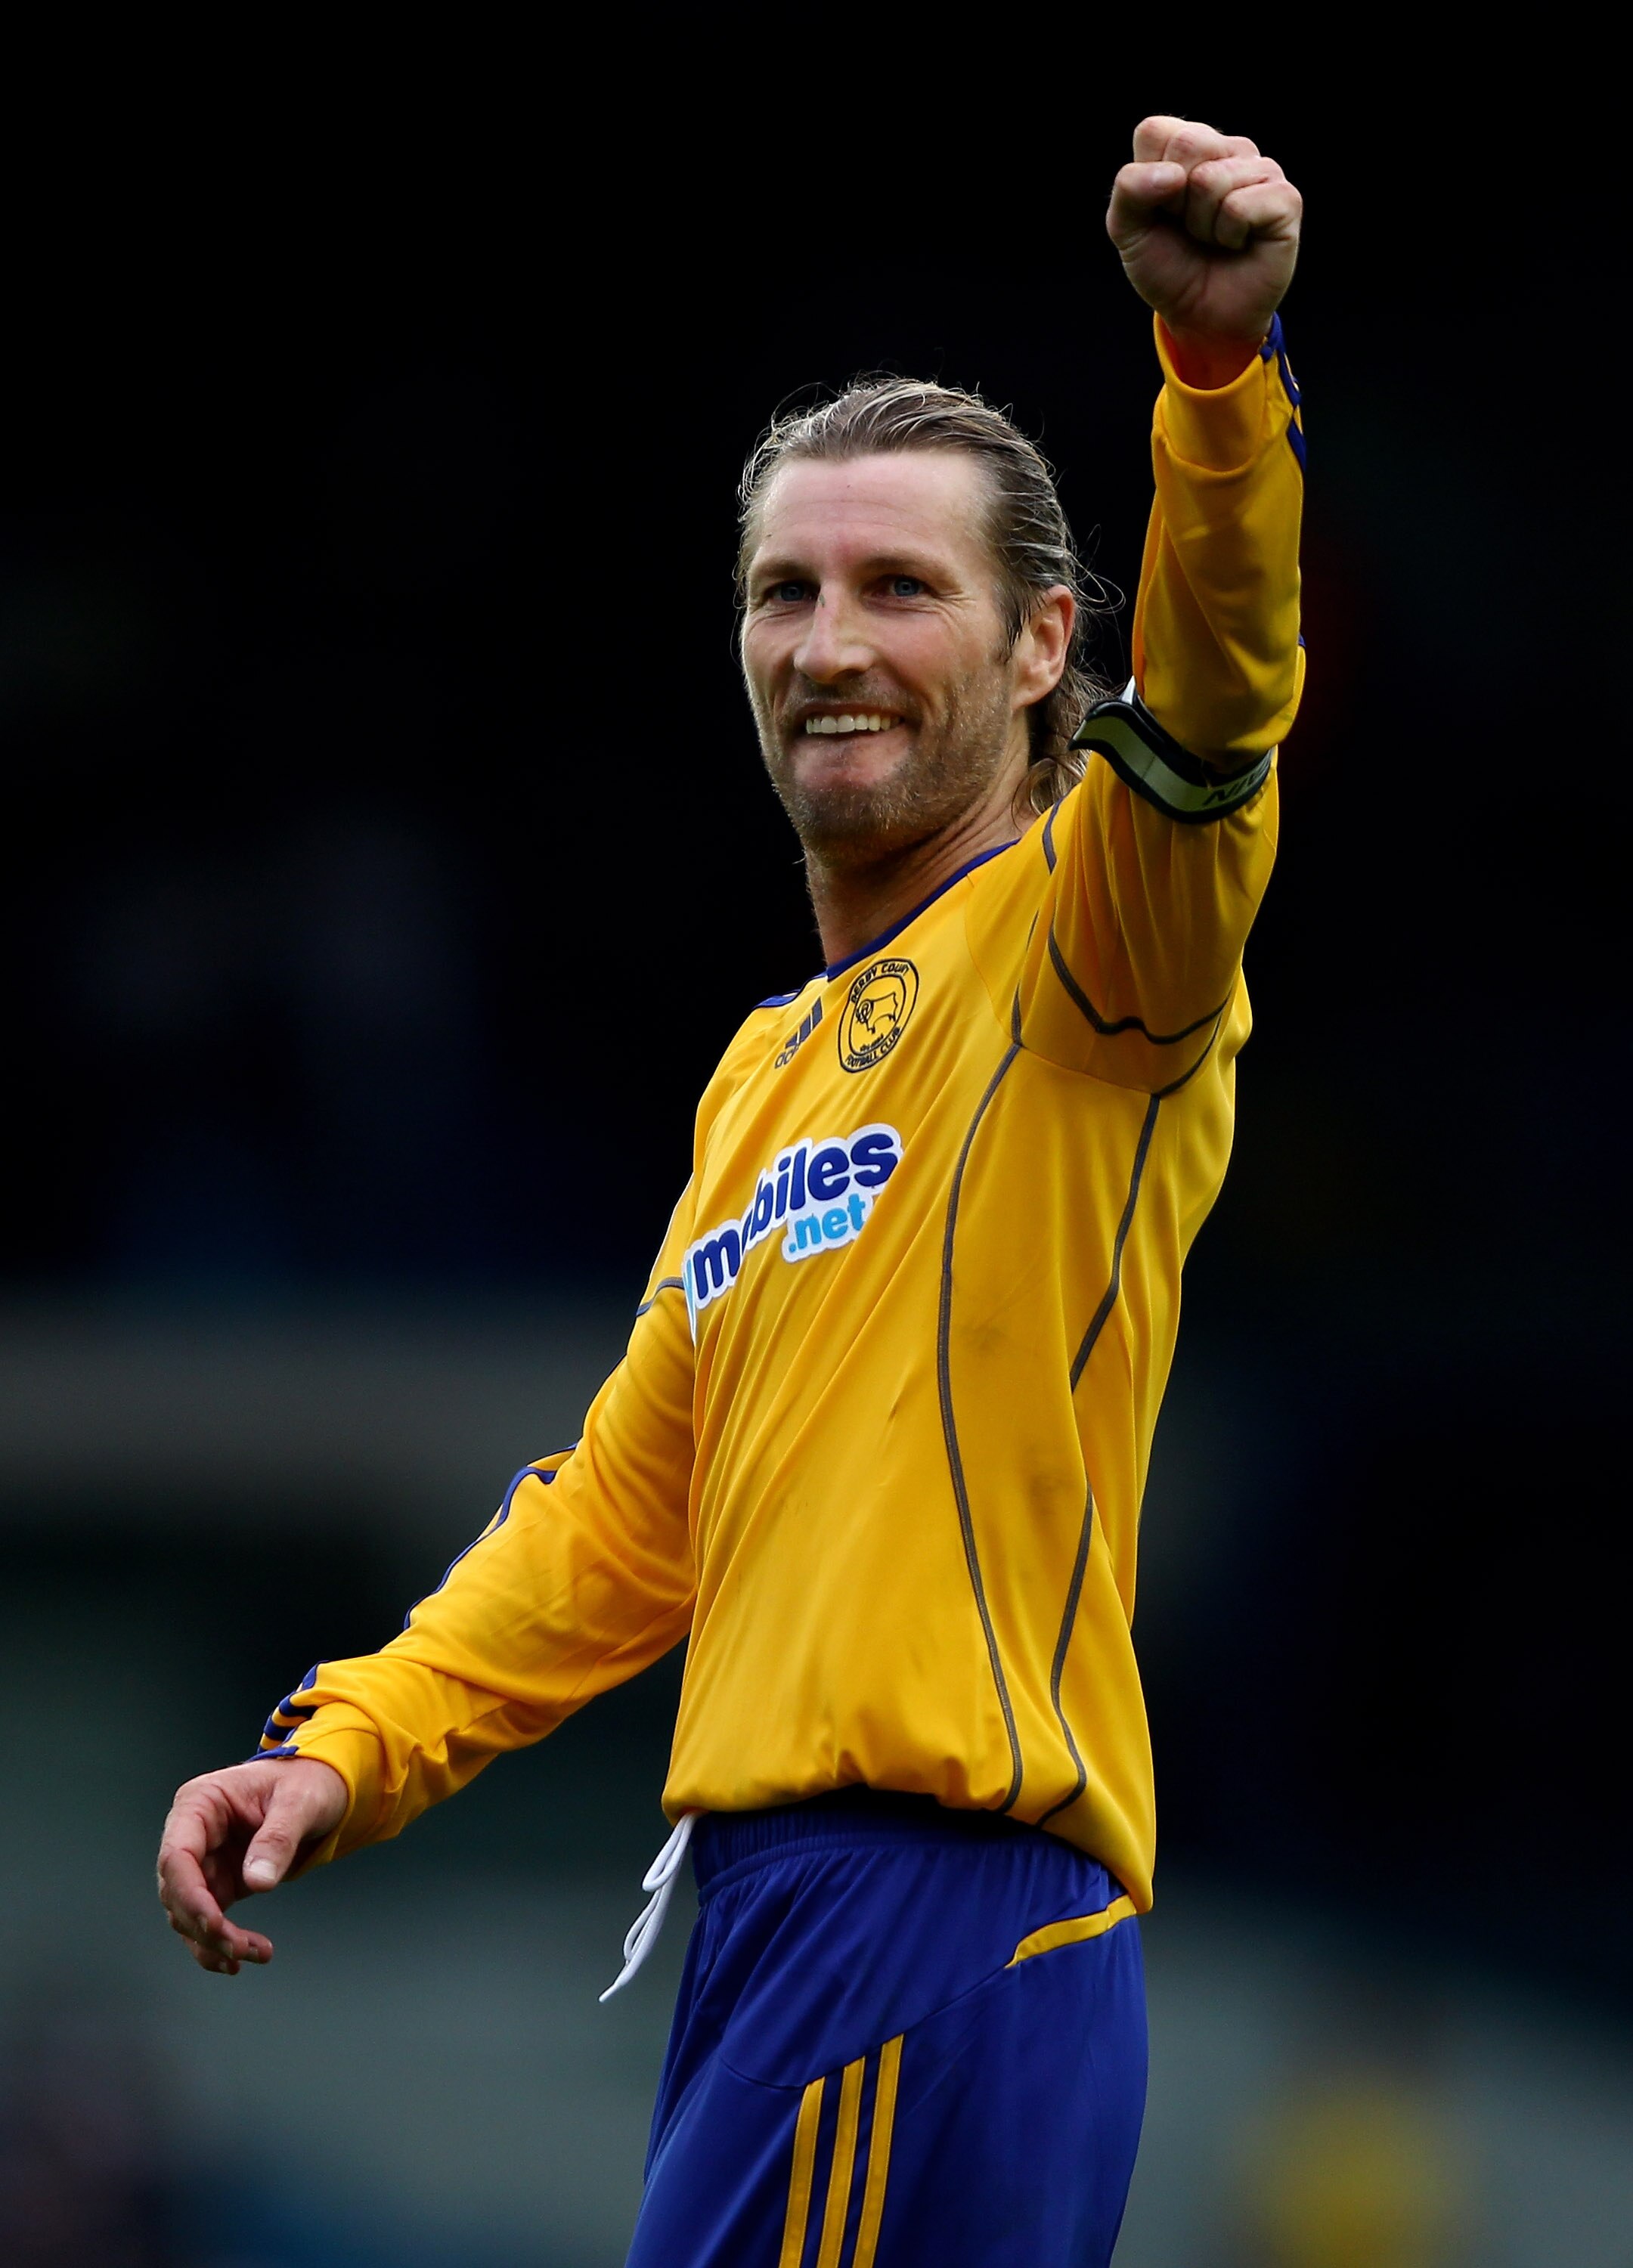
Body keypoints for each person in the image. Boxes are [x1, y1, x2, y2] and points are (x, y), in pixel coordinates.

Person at [157, 113, 1304, 2266]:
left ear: (1045, 647)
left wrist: (1218, 387)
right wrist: (355, 1742)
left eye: (901, 587)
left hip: (930, 1906)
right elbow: (628, 1509)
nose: (827, 640)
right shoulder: (769, 1071)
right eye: (788, 589)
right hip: (795, 1932)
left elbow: (1225, 709)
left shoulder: (1096, 950)